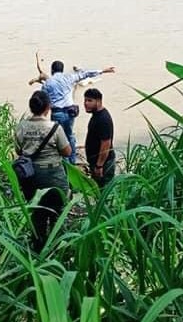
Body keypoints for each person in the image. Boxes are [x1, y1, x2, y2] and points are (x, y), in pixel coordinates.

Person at [14, 90, 72, 251]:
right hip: (54, 175)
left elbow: (19, 151)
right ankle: (57, 246)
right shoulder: (54, 127)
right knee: (58, 210)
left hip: (31, 176)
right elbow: (67, 152)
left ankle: (38, 246)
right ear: (48, 107)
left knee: (37, 212)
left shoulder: (22, 127)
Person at [29, 59, 115, 164]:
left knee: (60, 139)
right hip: (71, 113)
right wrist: (103, 71)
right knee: (70, 136)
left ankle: (66, 165)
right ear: (62, 69)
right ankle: (73, 161)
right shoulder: (68, 77)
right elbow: (85, 74)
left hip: (57, 114)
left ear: (52, 70)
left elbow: (42, 99)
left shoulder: (48, 83)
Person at [82, 88, 116, 187]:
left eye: (89, 100)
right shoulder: (96, 115)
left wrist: (99, 165)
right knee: (98, 190)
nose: (86, 103)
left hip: (103, 164)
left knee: (104, 191)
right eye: (85, 100)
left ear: (99, 101)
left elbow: (106, 144)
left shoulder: (103, 119)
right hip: (97, 162)